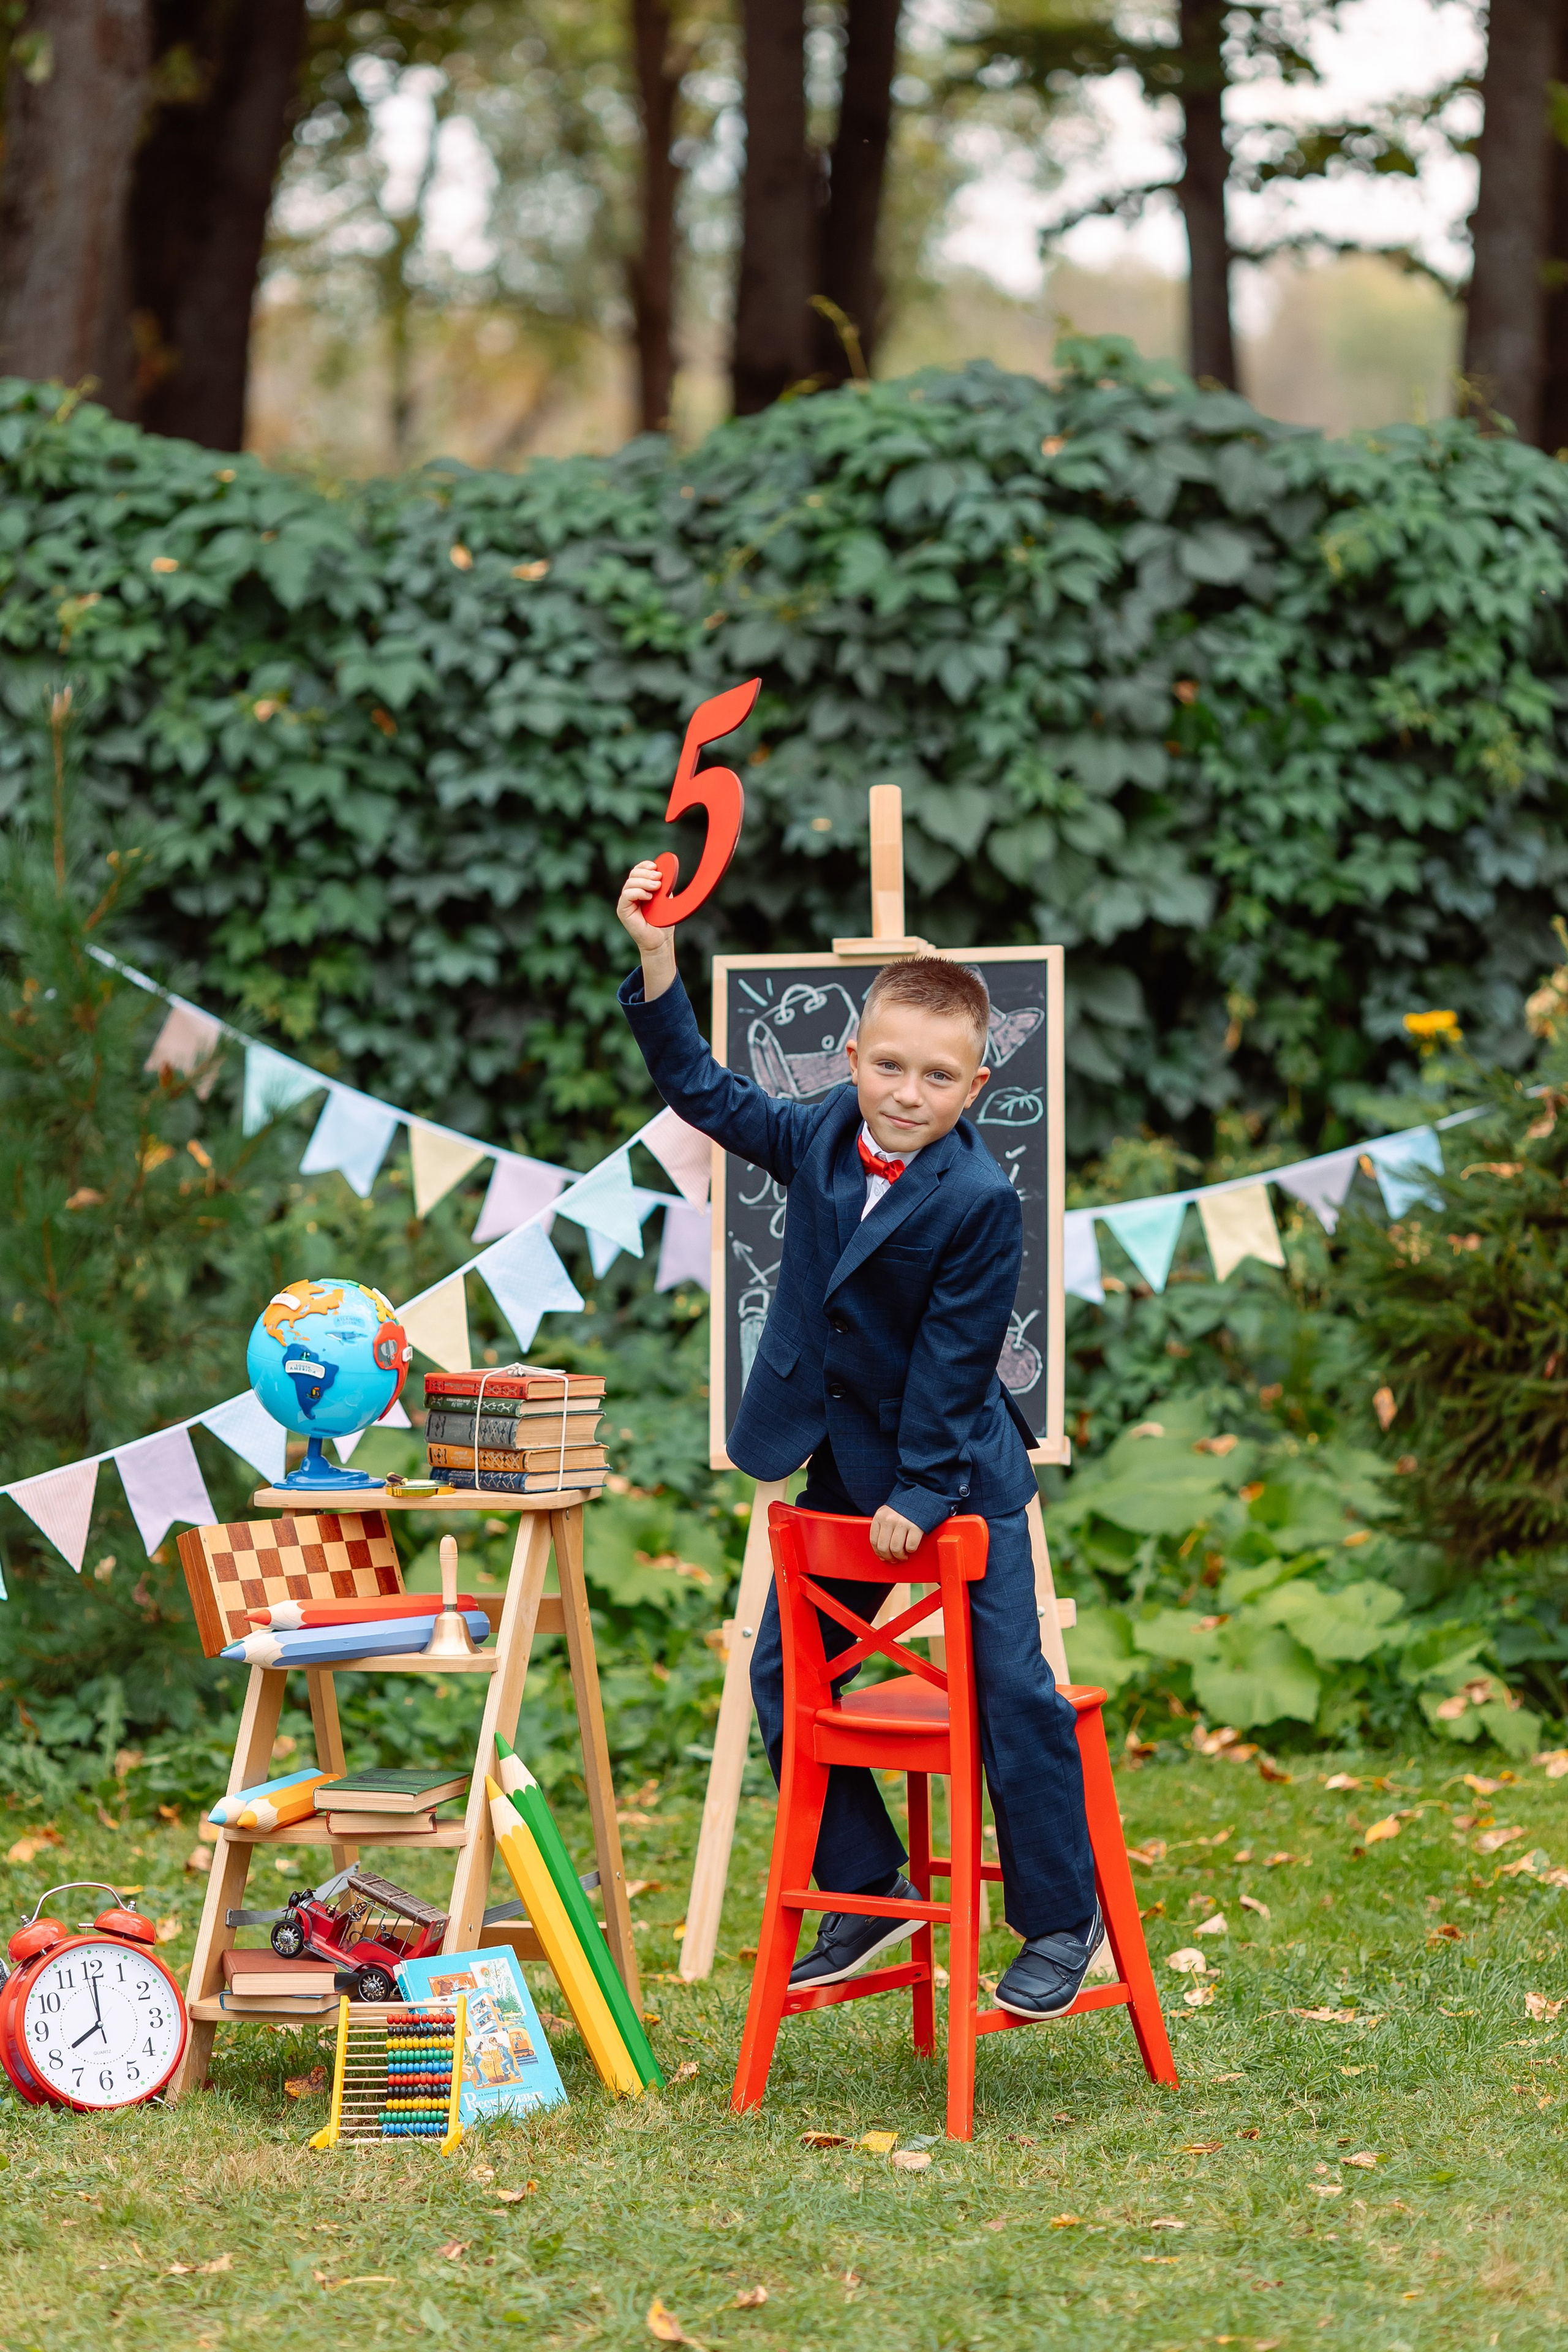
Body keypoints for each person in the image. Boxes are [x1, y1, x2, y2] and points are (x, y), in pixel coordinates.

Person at [615, 862, 1100, 2020]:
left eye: (939, 1077)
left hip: (959, 1477)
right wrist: (655, 960)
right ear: (851, 1062)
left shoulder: (979, 1198)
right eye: (889, 1066)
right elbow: (705, 1094)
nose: (907, 1093)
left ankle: (1059, 1920)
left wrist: (926, 1494)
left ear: (977, 1084)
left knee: (1010, 1689)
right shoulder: (827, 1133)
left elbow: (954, 1356)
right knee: (786, 1670)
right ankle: (861, 1882)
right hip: (843, 1456)